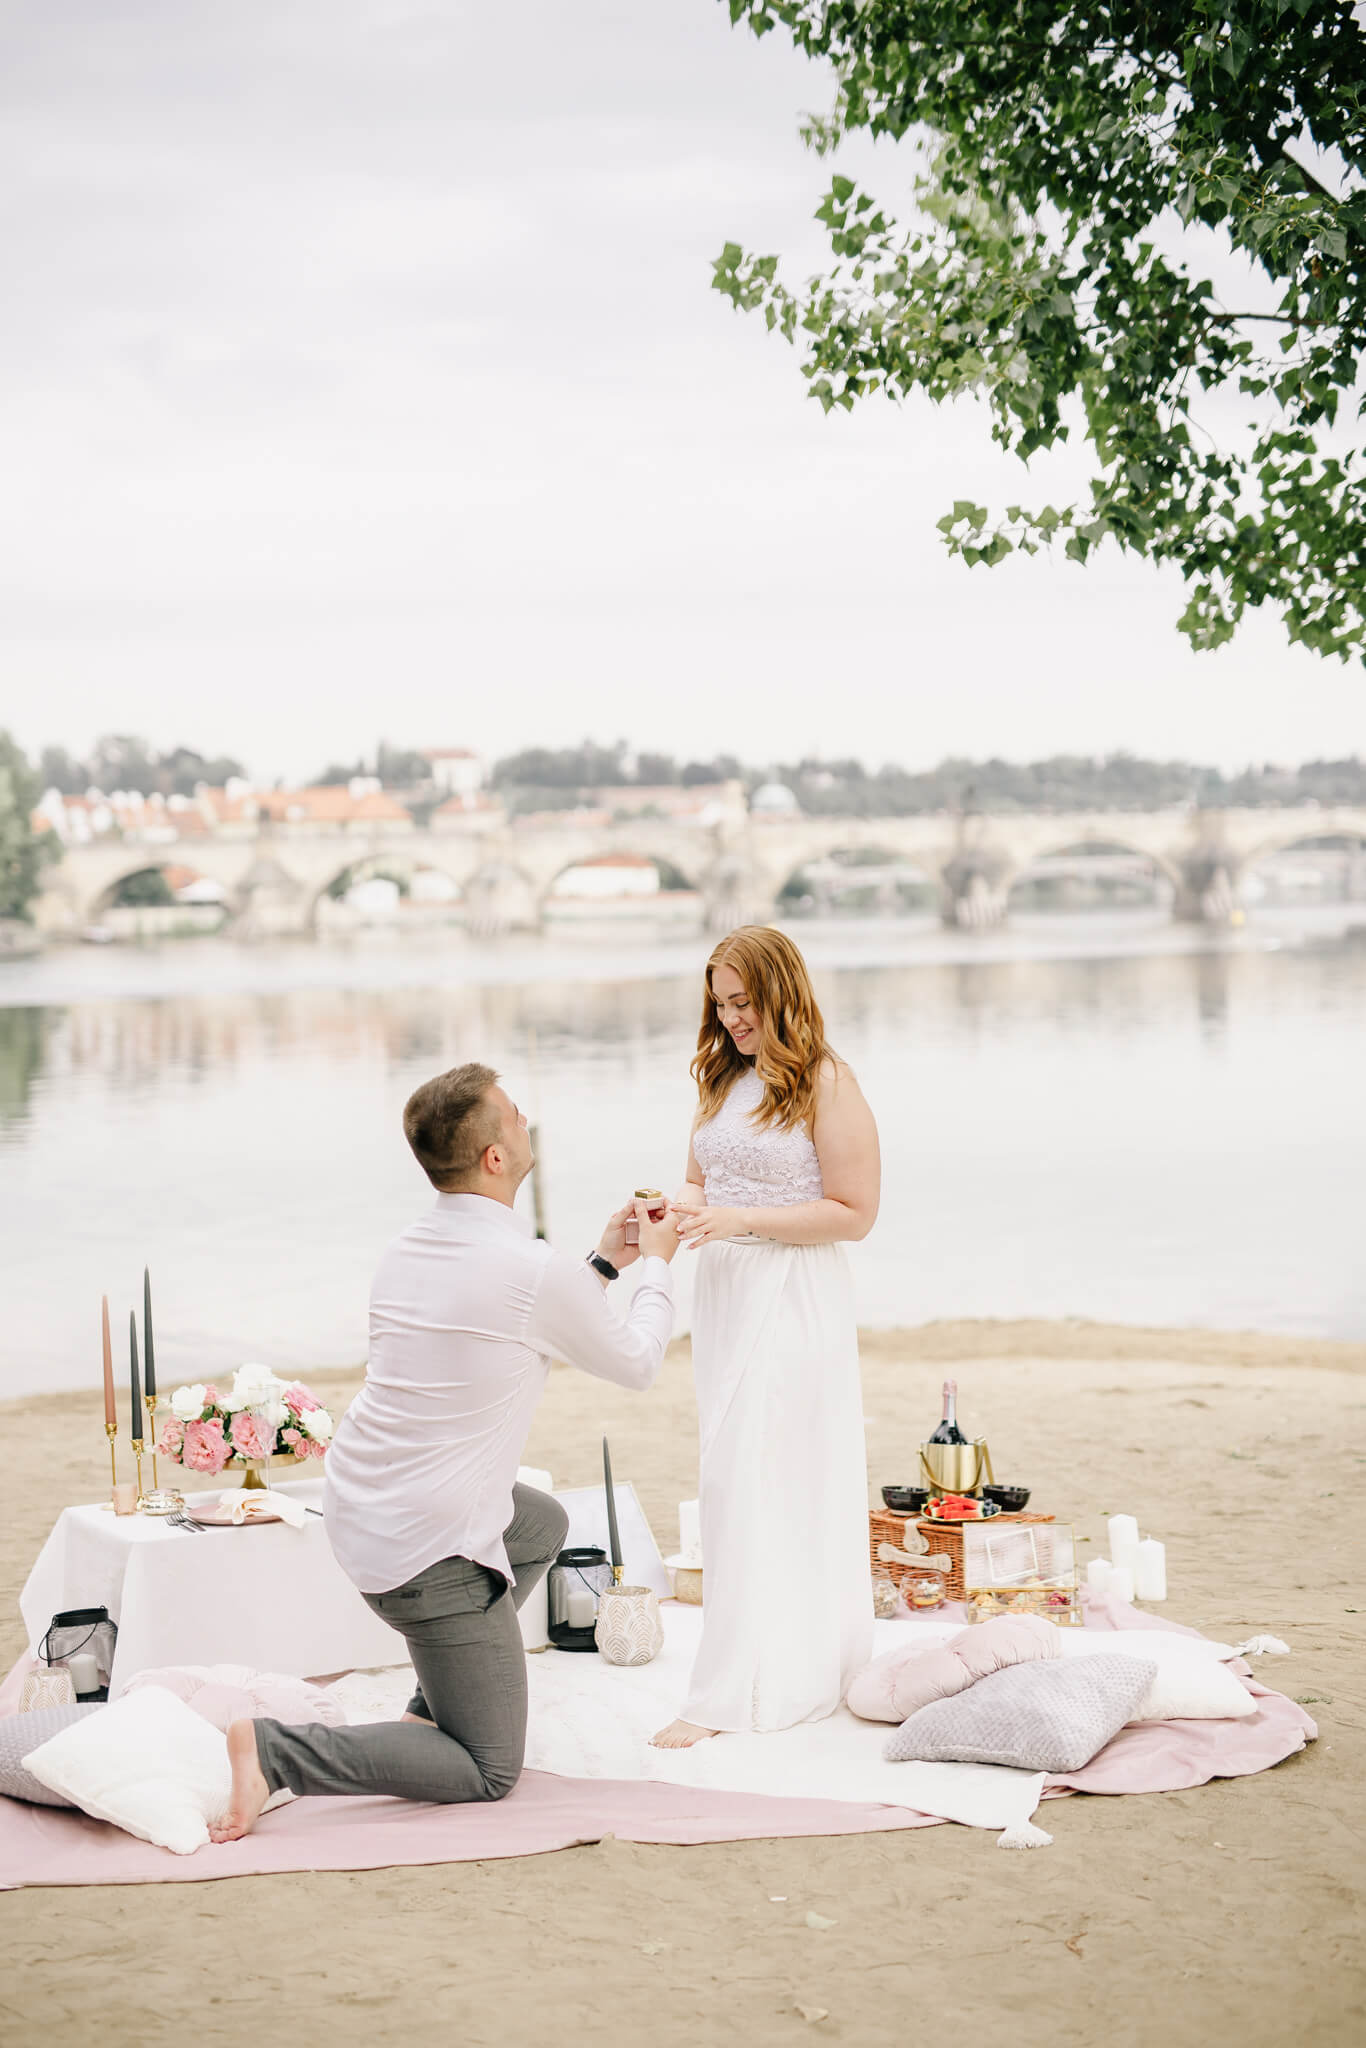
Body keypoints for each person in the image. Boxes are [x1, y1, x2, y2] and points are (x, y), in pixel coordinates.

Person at [211, 1062, 678, 1840]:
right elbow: (636, 1362)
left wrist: (601, 1266)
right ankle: (277, 1753)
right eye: (515, 1114)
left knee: (540, 1524)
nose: (526, 1120)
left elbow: (517, 1317)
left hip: (363, 1510)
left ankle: (436, 1701)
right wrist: (659, 1262)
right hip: (426, 1552)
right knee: (489, 1767)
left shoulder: (410, 1248)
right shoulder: (530, 1269)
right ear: (495, 1158)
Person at [651, 927, 880, 1748]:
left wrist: (740, 1219)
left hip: (793, 1294)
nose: (733, 1018)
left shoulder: (827, 1081)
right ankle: (759, 1657)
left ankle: (747, 1686)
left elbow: (855, 1212)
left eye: (744, 1003)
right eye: (720, 1003)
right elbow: (699, 1183)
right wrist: (659, 1222)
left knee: (768, 1474)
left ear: (782, 992)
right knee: (729, 1474)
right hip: (725, 1294)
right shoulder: (724, 1077)